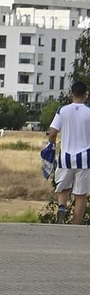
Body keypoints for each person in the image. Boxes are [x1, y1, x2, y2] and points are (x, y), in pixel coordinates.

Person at [48, 81, 90, 224]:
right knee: (80, 194)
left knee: (63, 186)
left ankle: (61, 207)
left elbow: (53, 133)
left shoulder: (62, 110)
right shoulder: (89, 112)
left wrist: (52, 145)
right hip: (85, 159)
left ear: (72, 94)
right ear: (86, 95)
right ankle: (75, 225)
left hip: (65, 157)